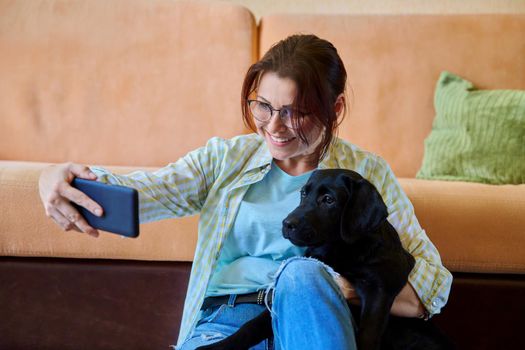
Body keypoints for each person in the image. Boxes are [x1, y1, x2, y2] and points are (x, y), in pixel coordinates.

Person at [39, 34, 452, 350]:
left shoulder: (366, 174)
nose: (274, 126)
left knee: (303, 273)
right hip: (228, 319)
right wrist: (55, 176)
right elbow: (148, 192)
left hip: (314, 321)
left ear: (336, 109)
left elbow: (430, 287)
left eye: (296, 112)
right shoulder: (226, 159)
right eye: (264, 106)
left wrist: (338, 286)